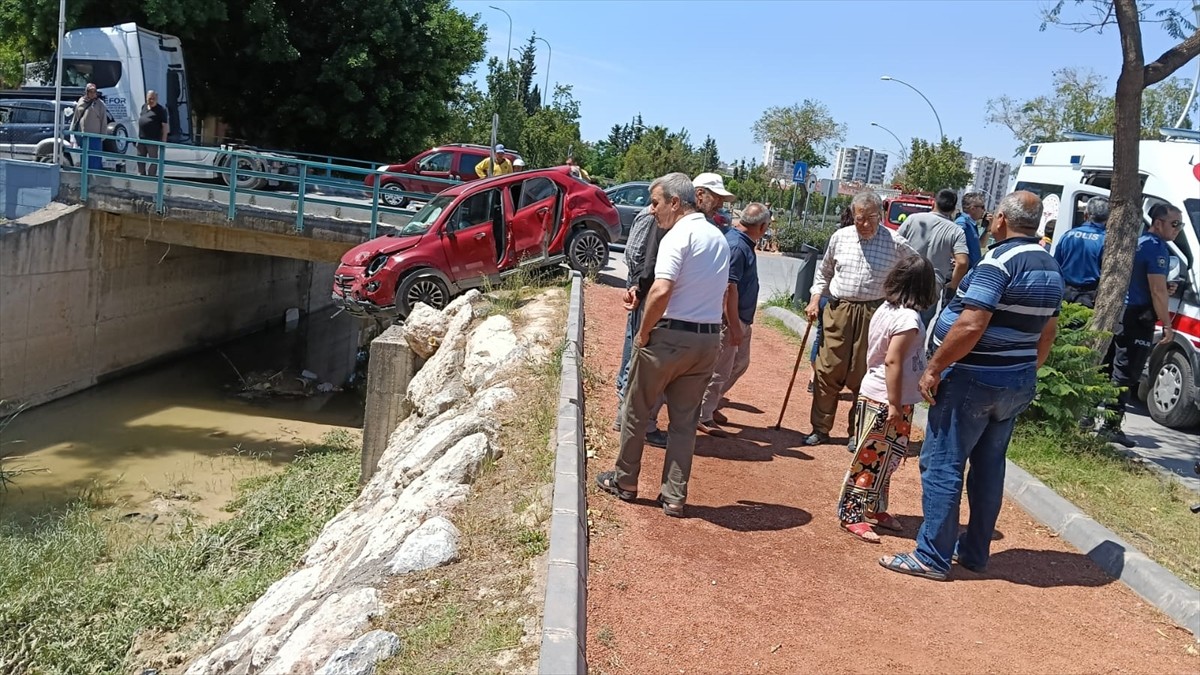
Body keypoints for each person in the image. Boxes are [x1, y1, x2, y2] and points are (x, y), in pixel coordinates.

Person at [880, 191, 1063, 581]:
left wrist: (934, 368)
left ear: (1000, 220)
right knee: (989, 466)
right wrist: (1026, 370)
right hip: (1014, 382)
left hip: (972, 381)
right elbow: (1048, 329)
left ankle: (931, 555)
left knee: (943, 462)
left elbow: (970, 324)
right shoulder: (1049, 264)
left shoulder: (998, 262)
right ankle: (975, 552)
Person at [596, 172, 730, 518]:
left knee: (635, 410)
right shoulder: (717, 237)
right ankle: (674, 496)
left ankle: (625, 481)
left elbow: (661, 289)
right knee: (684, 423)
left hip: (669, 336)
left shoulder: (677, 236)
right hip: (706, 340)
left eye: (655, 203)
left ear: (675, 202)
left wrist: (643, 332)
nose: (651, 210)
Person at [804, 191, 917, 447]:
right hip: (839, 310)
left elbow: (916, 268)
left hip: (874, 312)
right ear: (852, 215)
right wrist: (814, 300)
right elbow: (824, 274)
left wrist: (902, 300)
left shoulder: (896, 242)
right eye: (859, 218)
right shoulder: (840, 238)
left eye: (870, 218)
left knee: (863, 374)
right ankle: (820, 429)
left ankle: (856, 431)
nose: (864, 224)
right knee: (827, 370)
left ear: (881, 216)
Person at [838, 255, 938, 543]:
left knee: (887, 459)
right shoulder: (908, 318)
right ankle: (851, 513)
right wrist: (894, 404)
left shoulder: (888, 307)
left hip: (885, 395)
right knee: (869, 459)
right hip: (886, 399)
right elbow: (893, 361)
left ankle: (875, 507)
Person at [640, 172, 737, 444]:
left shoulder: (692, 232)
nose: (718, 204)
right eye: (715, 197)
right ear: (699, 195)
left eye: (720, 199)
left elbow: (667, 288)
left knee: (647, 407)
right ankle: (667, 482)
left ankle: (627, 475)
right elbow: (654, 270)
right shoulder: (704, 233)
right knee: (672, 414)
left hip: (678, 330)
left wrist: (643, 331)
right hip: (687, 330)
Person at [1098, 202, 1184, 448]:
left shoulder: (1138, 243)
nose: (1177, 229)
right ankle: (1110, 426)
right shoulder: (1157, 249)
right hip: (1137, 317)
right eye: (1174, 223)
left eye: (1181, 224)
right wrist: (1167, 325)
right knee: (1126, 372)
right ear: (1158, 223)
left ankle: (1090, 417)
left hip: (1122, 312)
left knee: (1110, 365)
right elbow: (1157, 292)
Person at [698, 202, 770, 435]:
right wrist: (734, 325)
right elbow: (729, 288)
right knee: (721, 368)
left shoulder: (740, 241)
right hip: (731, 318)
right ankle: (702, 414)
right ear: (762, 226)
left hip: (739, 318)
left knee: (739, 364)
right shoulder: (738, 246)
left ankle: (711, 403)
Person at [897, 188, 969, 329]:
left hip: (906, 280)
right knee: (919, 328)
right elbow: (962, 262)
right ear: (954, 208)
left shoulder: (913, 219)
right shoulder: (956, 231)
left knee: (897, 323)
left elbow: (895, 244)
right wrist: (952, 286)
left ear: (934, 203)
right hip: (932, 285)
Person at [807, 206, 856, 394]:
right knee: (836, 342)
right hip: (836, 300)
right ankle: (824, 379)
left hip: (824, 296)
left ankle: (814, 378)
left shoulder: (834, 236)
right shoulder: (850, 240)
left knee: (821, 337)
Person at [1052, 196, 1109, 308]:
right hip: (1088, 296)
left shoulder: (1068, 235)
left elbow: (1056, 265)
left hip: (1064, 292)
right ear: (1107, 219)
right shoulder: (1105, 240)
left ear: (1086, 215)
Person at [74, 83, 108, 170]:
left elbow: (104, 120)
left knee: (95, 160)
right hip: (83, 136)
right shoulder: (81, 101)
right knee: (85, 160)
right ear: (86, 92)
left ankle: (96, 180)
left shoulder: (100, 104)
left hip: (95, 137)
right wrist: (74, 134)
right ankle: (85, 181)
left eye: (94, 91)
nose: (92, 93)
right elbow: (76, 118)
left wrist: (102, 136)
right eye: (90, 91)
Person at [136, 90, 170, 177]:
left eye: (153, 98)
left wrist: (164, 140)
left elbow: (165, 126)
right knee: (140, 158)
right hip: (141, 139)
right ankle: (141, 175)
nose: (151, 100)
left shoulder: (161, 110)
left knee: (153, 161)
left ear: (157, 98)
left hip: (153, 140)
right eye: (149, 99)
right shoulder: (144, 106)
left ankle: (151, 177)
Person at [955, 192, 987, 270]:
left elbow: (980, 245)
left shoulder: (971, 224)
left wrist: (988, 229)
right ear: (973, 208)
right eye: (982, 207)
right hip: (963, 272)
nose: (984, 210)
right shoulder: (962, 223)